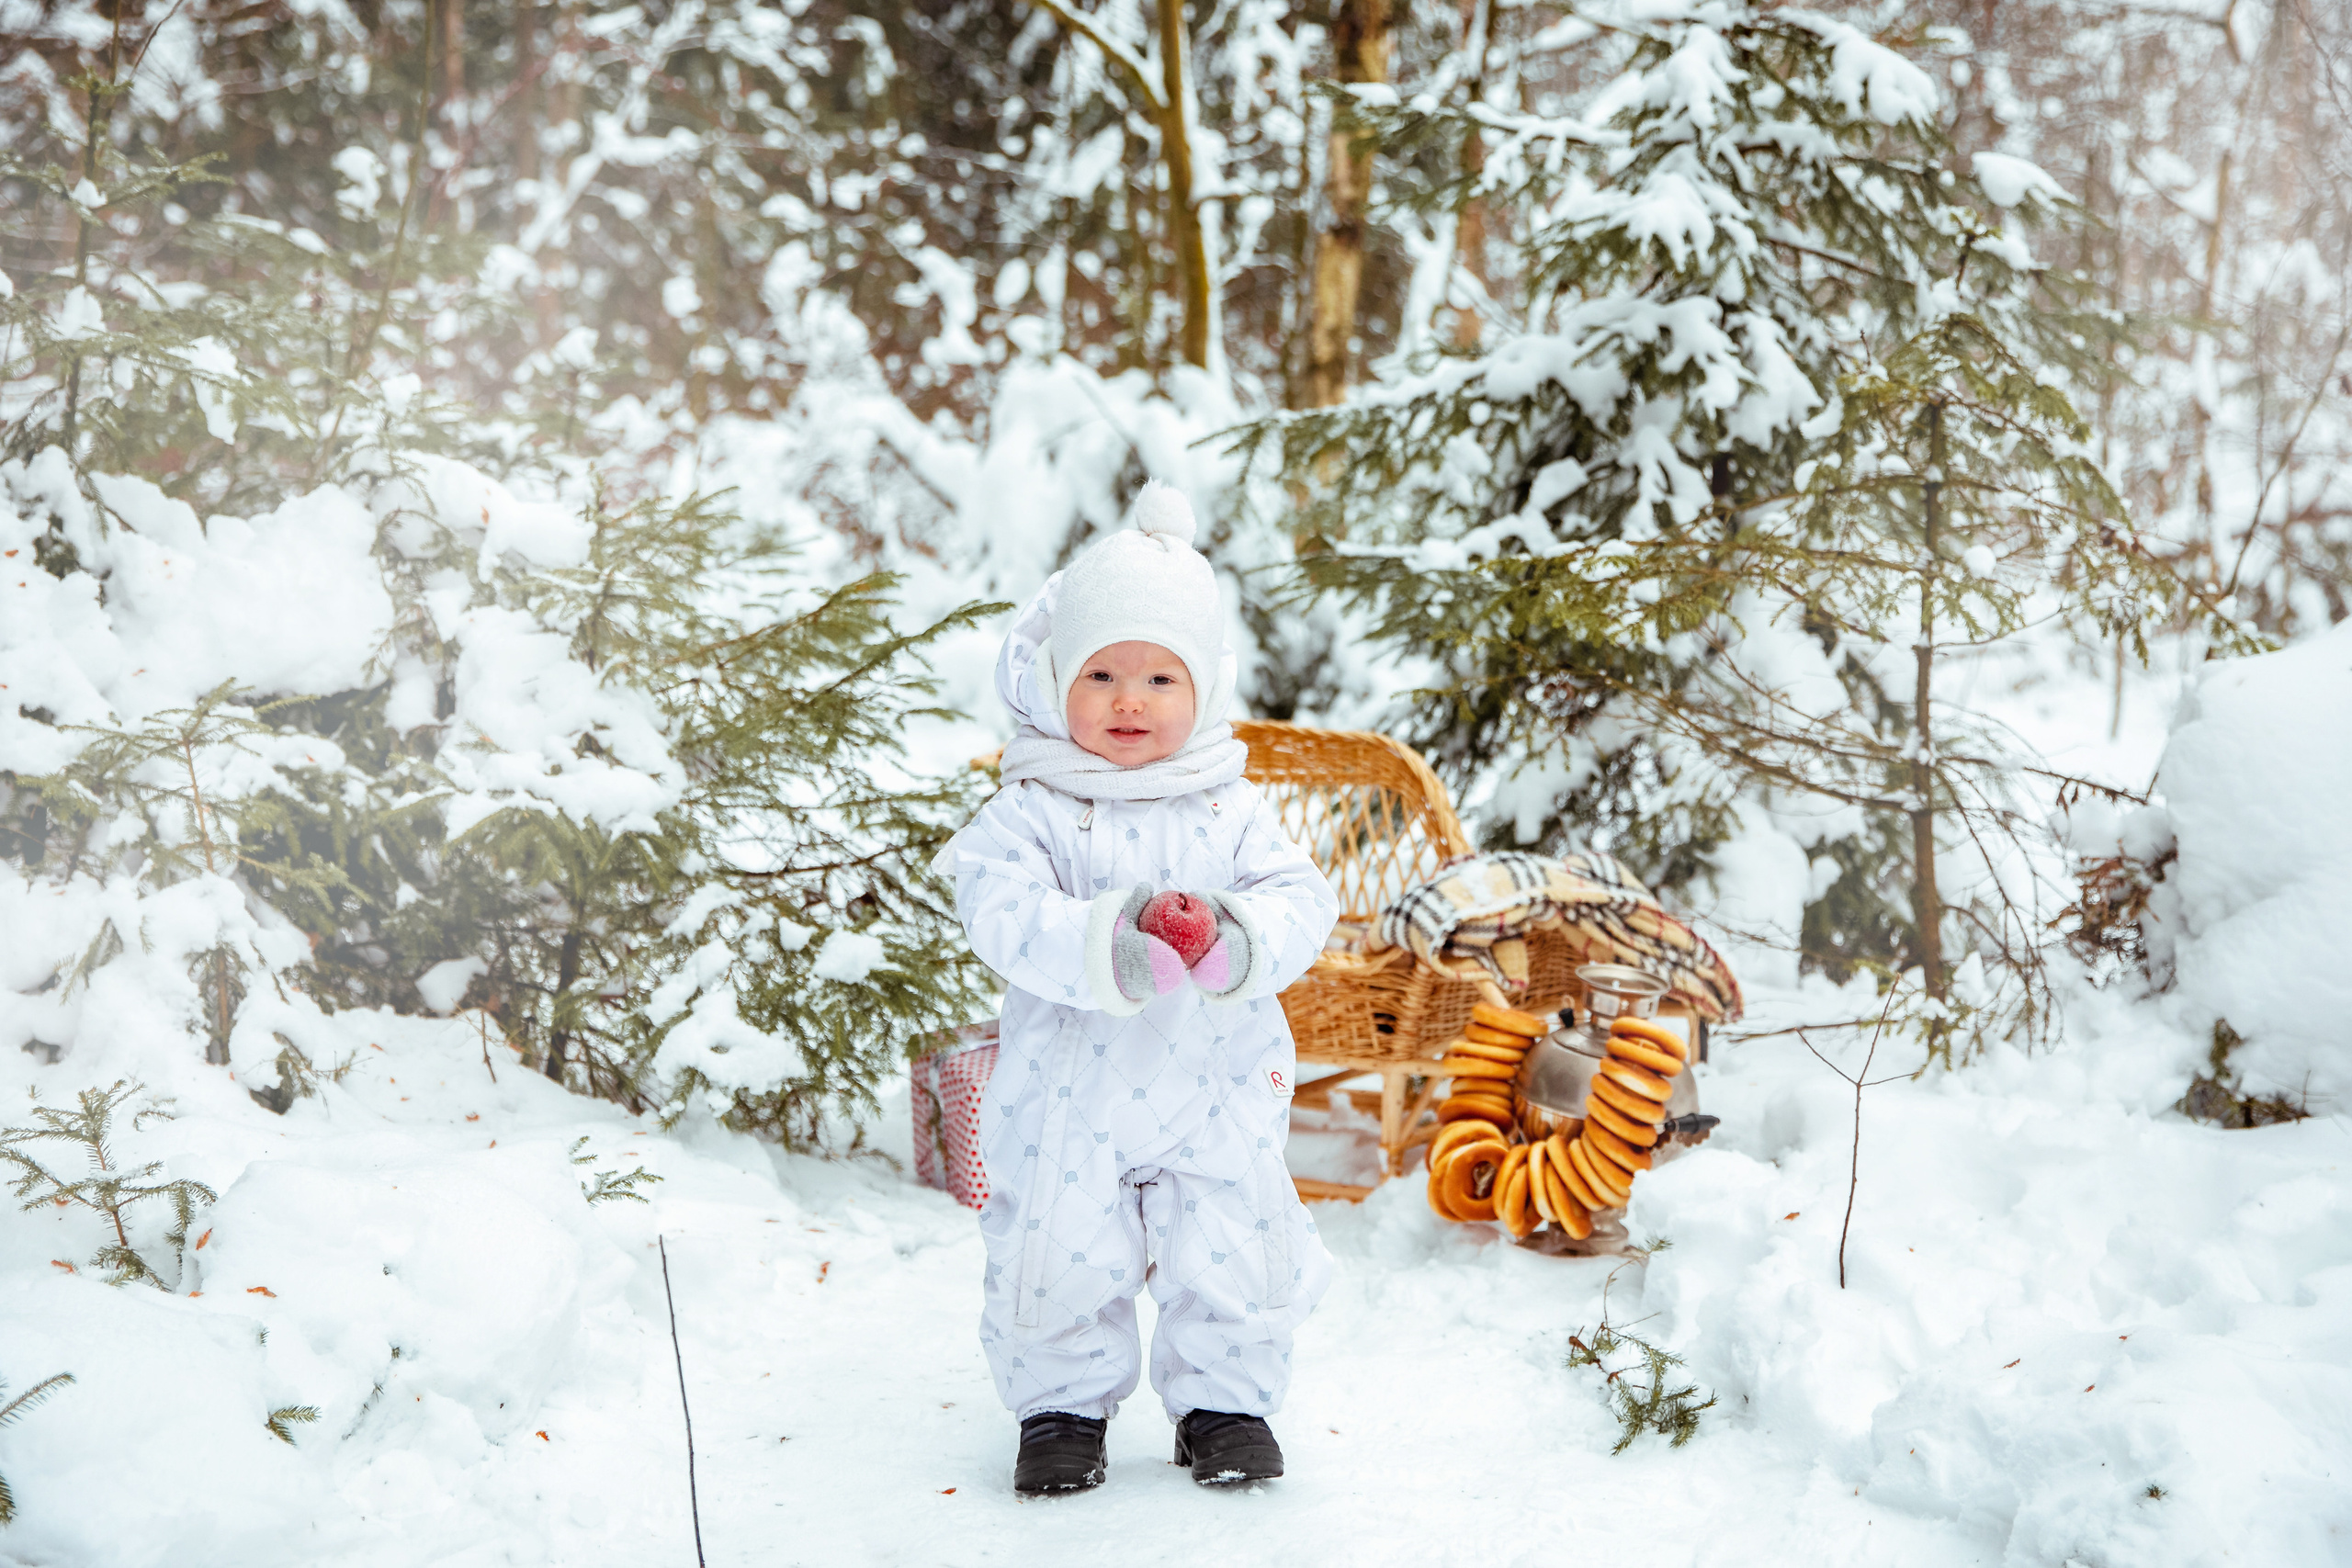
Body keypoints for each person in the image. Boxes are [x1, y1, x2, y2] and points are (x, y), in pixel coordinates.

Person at [942, 481, 1340, 1496]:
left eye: (1161, 677)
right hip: (1071, 1093)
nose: (1130, 700)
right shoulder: (1032, 806)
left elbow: (1301, 898)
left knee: (1230, 1238)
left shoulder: (1230, 807)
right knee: (1059, 1247)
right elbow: (995, 906)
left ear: (1202, 689)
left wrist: (1232, 936)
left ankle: (1225, 1405)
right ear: (1054, 679)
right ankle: (1061, 1411)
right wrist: (1106, 943)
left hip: (1214, 1083)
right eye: (1103, 673)